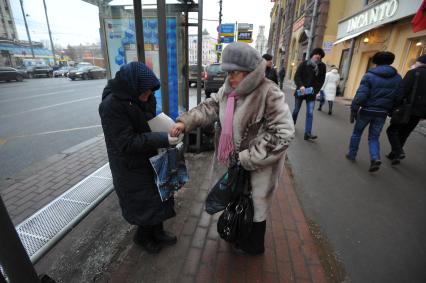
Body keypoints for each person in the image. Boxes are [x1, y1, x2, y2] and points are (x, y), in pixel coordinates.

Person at [170, 42, 295, 255]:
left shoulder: (269, 92)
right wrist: (185, 122)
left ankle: (254, 245)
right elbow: (210, 106)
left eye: (235, 72)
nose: (230, 77)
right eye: (228, 72)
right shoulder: (228, 90)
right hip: (232, 162)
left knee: (256, 206)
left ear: (250, 72)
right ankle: (236, 232)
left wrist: (248, 157)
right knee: (235, 200)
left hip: (258, 165)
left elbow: (283, 134)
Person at [98, 62, 182, 254]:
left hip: (151, 155)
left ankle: (158, 231)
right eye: (145, 92)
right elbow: (126, 143)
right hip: (130, 164)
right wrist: (163, 138)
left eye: (151, 92)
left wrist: (169, 127)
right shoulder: (110, 106)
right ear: (132, 87)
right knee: (143, 202)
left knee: (159, 196)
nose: (148, 96)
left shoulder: (145, 95)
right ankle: (143, 237)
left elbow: (152, 118)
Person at [346, 51, 402, 172]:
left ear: (376, 62)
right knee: (374, 137)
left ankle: (351, 154)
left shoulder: (369, 76)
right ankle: (375, 158)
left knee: (357, 133)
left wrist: (354, 108)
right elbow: (398, 97)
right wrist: (391, 111)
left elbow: (361, 95)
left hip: (367, 110)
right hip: (382, 113)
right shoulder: (397, 78)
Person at [385, 54, 426, 165]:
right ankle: (394, 155)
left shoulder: (413, 73)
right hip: (419, 112)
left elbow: (401, 91)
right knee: (404, 133)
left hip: (405, 109)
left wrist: (393, 107)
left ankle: (398, 151)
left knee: (392, 131)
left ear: (420, 62)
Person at [292, 48, 326, 140]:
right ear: (312, 54)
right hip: (301, 91)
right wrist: (301, 86)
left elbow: (321, 80)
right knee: (296, 110)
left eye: (320, 55)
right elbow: (297, 76)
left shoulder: (322, 66)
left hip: (311, 94)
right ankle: (291, 125)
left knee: (310, 113)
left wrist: (315, 90)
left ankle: (307, 133)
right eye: (316, 54)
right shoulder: (304, 64)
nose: (318, 56)